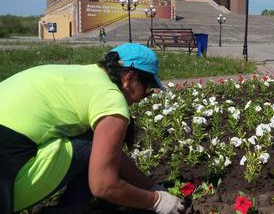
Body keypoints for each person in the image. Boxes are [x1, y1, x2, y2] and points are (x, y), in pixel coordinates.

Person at [0, 43, 184, 214]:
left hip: (10, 151)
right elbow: (104, 185)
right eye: (148, 89)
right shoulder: (110, 98)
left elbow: (112, 155)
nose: (146, 97)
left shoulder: (85, 76)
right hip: (6, 166)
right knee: (92, 143)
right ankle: (71, 209)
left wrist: (149, 186)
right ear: (129, 78)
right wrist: (156, 201)